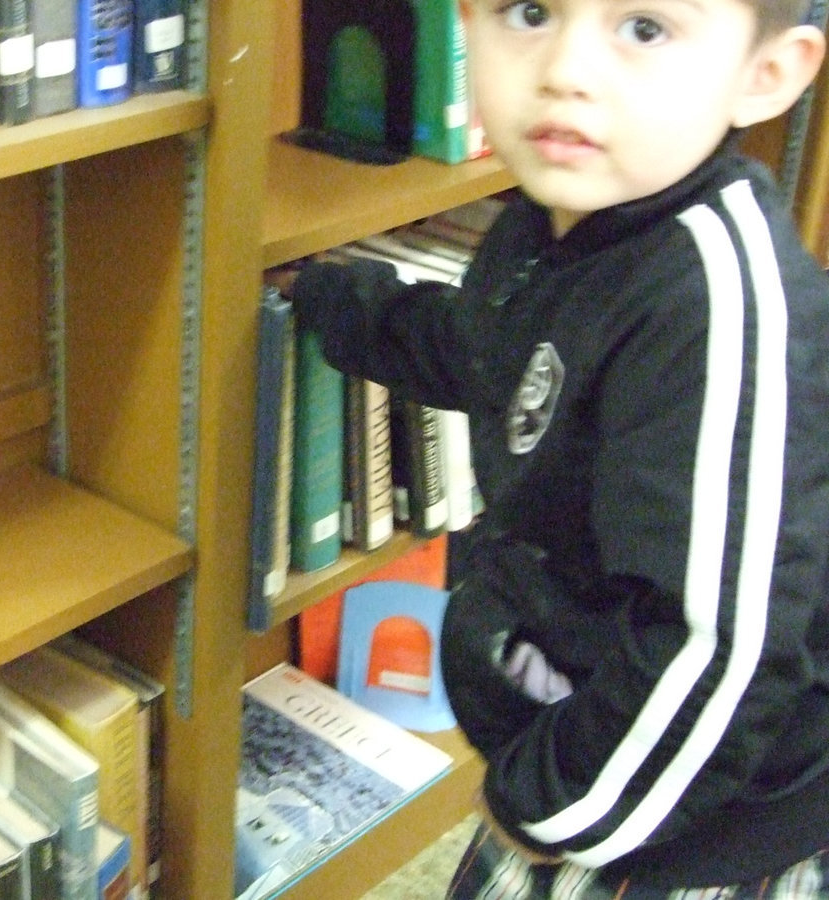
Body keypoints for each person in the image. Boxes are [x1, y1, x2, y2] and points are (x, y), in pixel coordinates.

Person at [275, 0, 829, 893]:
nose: (564, 69)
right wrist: (346, 305)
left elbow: (724, 648)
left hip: (684, 821)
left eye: (644, 28)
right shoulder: (558, 218)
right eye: (529, 12)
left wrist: (553, 807)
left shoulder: (718, 311)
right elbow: (491, 354)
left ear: (765, 74)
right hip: (575, 730)